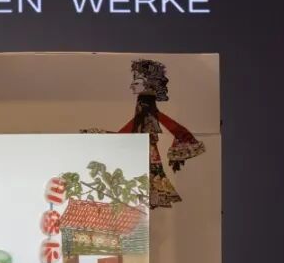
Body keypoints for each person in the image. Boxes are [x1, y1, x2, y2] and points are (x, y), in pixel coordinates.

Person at [86, 59, 205, 208]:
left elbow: (137, 126)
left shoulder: (146, 108)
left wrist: (103, 135)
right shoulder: (144, 109)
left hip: (145, 152)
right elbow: (133, 128)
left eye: (136, 82)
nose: (131, 85)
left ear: (148, 85)